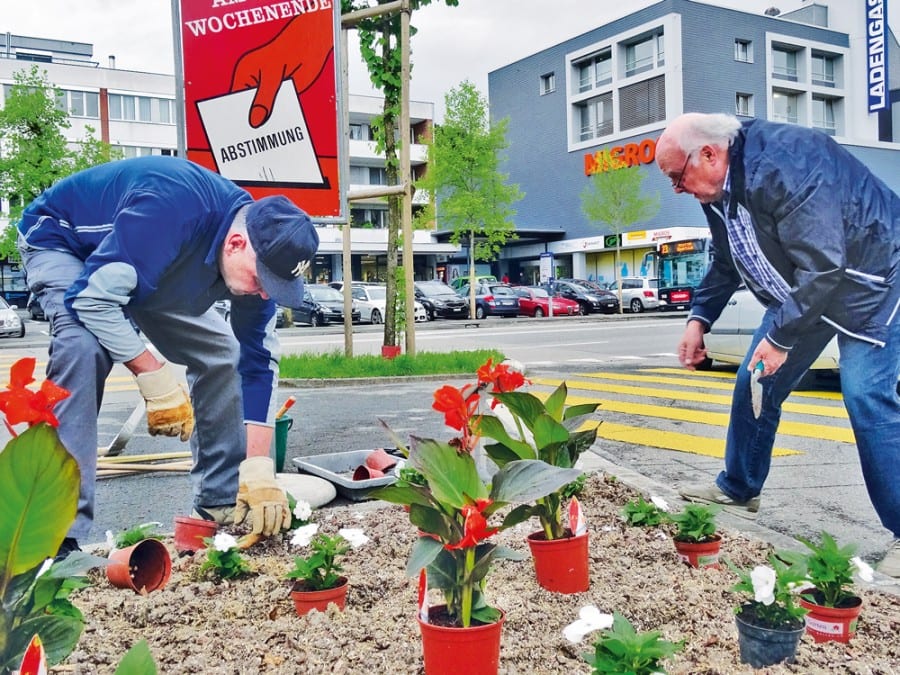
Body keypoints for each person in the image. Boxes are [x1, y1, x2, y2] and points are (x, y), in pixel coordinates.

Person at [18, 155, 319, 557]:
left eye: (276, 287)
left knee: (223, 353)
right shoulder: (169, 209)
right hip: (64, 242)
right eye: (262, 281)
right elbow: (92, 299)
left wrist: (259, 468)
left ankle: (220, 499)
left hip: (152, 268)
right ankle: (56, 534)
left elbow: (257, 363)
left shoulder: (258, 260)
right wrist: (153, 375)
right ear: (235, 243)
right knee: (83, 348)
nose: (265, 293)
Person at [655, 112, 900, 578]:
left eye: (676, 176)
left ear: (708, 153)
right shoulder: (718, 186)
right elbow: (730, 260)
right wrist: (698, 319)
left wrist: (781, 337)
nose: (676, 189)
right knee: (756, 379)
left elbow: (825, 265)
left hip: (874, 276)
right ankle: (740, 486)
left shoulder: (788, 165)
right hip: (809, 289)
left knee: (866, 394)